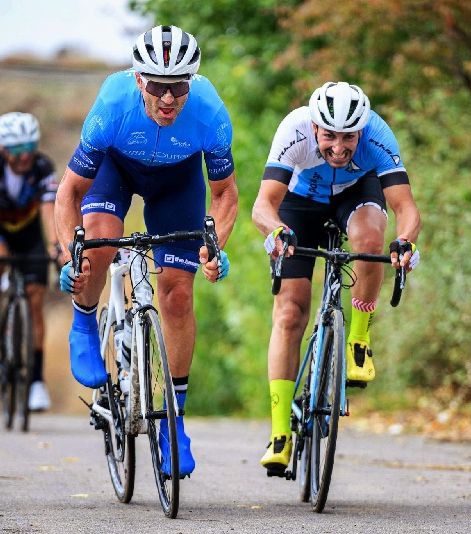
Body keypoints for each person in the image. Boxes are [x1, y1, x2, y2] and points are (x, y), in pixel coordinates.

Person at [54, 25, 238, 478]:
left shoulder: (210, 112)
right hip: (116, 170)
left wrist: (213, 247)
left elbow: (225, 195)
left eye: (178, 87)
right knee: (101, 239)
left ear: (190, 83)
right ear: (139, 80)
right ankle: (84, 322)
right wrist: (69, 254)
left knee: (177, 293)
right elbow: (69, 194)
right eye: (158, 86)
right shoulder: (112, 104)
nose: (169, 98)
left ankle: (173, 423)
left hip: (177, 182)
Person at [251, 82, 421, 471]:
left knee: (371, 238)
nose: (339, 147)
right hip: (299, 204)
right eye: (329, 135)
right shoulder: (294, 129)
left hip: (355, 194)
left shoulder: (378, 134)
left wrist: (405, 242)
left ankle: (358, 341)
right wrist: (276, 232)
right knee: (291, 313)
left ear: (362, 128)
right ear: (314, 128)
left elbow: (406, 209)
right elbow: (263, 206)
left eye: (349, 136)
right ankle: (280, 434)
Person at [0, 112, 61, 412]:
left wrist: (56, 247)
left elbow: (50, 211)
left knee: (36, 303)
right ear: (3, 150)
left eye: (30, 147)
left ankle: (36, 380)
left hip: (30, 234)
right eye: (18, 150)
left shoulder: (42, 166)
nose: (26, 156)